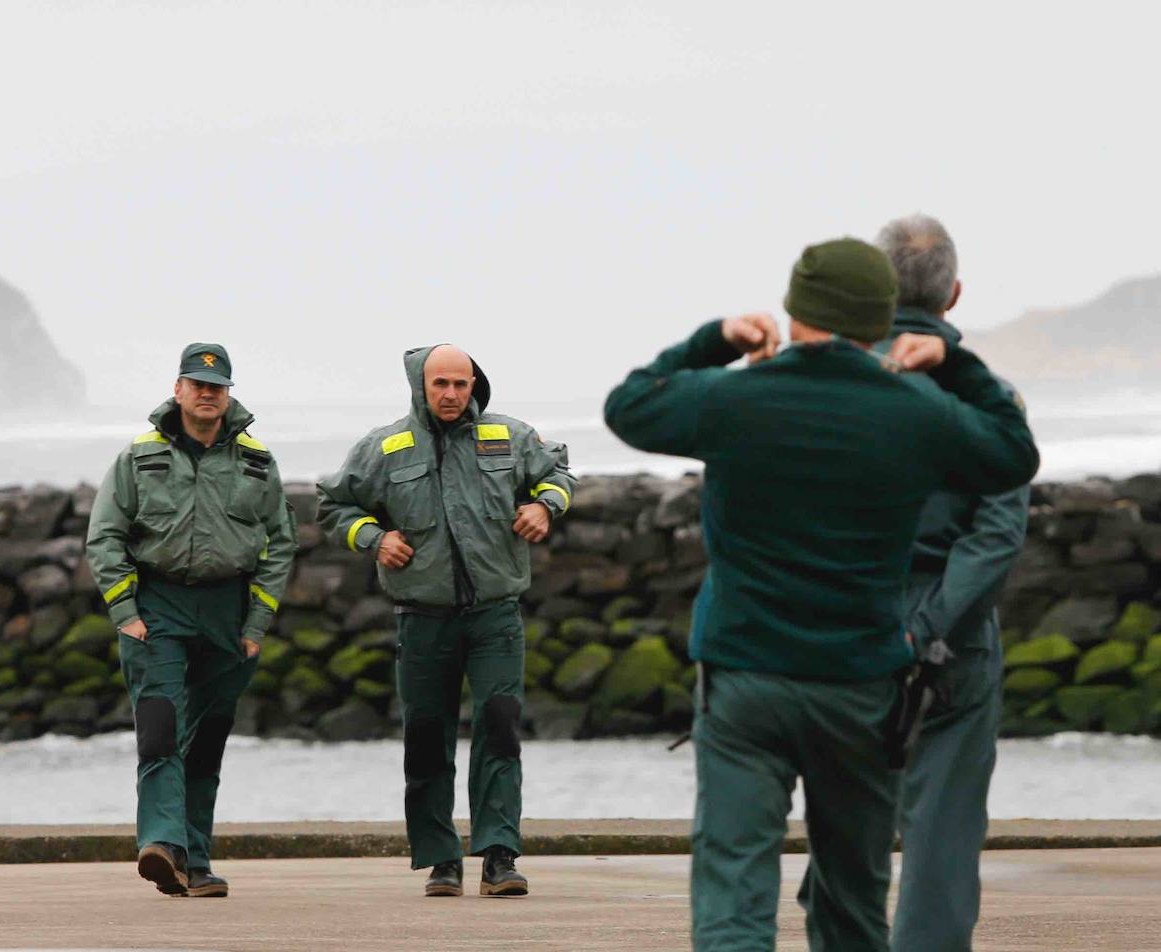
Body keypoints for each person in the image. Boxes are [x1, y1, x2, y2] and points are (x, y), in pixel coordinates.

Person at [603, 238, 1039, 951]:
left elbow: (629, 405)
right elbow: (1011, 452)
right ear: (880, 320)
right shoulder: (915, 411)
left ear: (792, 310)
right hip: (860, 680)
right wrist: (956, 365)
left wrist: (715, 340)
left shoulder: (735, 396)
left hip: (746, 675)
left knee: (734, 896)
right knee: (849, 901)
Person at [316, 344, 574, 898]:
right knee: (427, 738)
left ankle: (500, 856)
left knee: (500, 726)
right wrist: (374, 536)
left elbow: (557, 472)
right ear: (421, 387)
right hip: (423, 618)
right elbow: (334, 504)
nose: (452, 394)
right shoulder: (385, 447)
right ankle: (441, 860)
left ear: (474, 383)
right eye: (441, 385)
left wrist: (544, 505)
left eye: (461, 383)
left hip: (495, 615)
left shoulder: (508, 436)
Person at [86, 342, 298, 898]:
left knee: (205, 743)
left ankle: (195, 862)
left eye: (217, 387)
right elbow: (104, 536)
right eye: (196, 384)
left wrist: (255, 626)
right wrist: (125, 612)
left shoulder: (257, 461)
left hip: (228, 613)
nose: (207, 394)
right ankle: (161, 845)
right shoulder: (138, 458)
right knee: (160, 732)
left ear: (229, 395)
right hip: (158, 609)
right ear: (178, 390)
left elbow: (281, 543)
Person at [872, 214, 1031, 952]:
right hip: (954, 634)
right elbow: (996, 533)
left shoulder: (833, 384)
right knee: (943, 832)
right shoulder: (988, 397)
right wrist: (930, 626)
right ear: (955, 294)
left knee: (848, 823)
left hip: (845, 623)